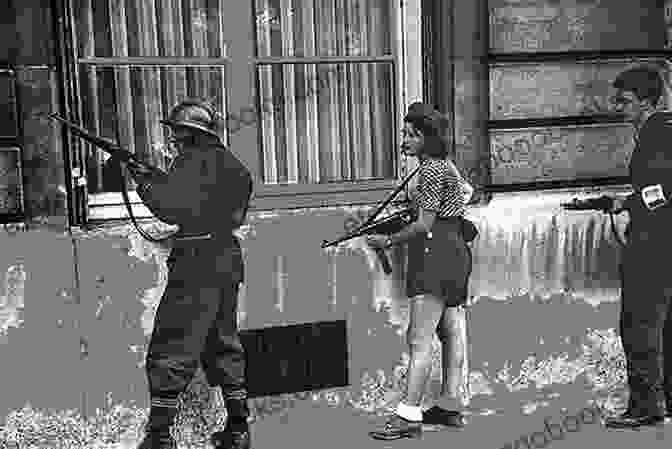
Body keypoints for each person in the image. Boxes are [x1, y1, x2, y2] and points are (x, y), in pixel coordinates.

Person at [124, 99, 254, 449]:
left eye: (177, 133)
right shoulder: (234, 166)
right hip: (226, 260)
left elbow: (172, 208)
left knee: (172, 347)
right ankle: (239, 430)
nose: (173, 139)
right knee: (224, 344)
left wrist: (144, 183)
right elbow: (217, 209)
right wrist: (158, 180)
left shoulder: (189, 162)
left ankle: (160, 437)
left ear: (188, 134)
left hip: (196, 264)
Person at [366, 102, 476, 440]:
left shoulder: (429, 170)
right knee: (451, 332)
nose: (404, 140)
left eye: (410, 135)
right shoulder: (446, 167)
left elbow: (425, 223)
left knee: (419, 338)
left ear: (426, 139)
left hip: (434, 254)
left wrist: (388, 240)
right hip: (455, 251)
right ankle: (451, 404)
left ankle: (409, 415)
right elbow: (464, 194)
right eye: (404, 133)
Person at [600, 65, 672, 430]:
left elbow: (661, 194)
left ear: (648, 102)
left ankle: (645, 406)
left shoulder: (657, 134)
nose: (617, 107)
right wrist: (628, 201)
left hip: (654, 244)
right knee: (664, 325)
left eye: (624, 101)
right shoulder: (663, 131)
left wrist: (631, 205)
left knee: (638, 324)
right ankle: (665, 400)